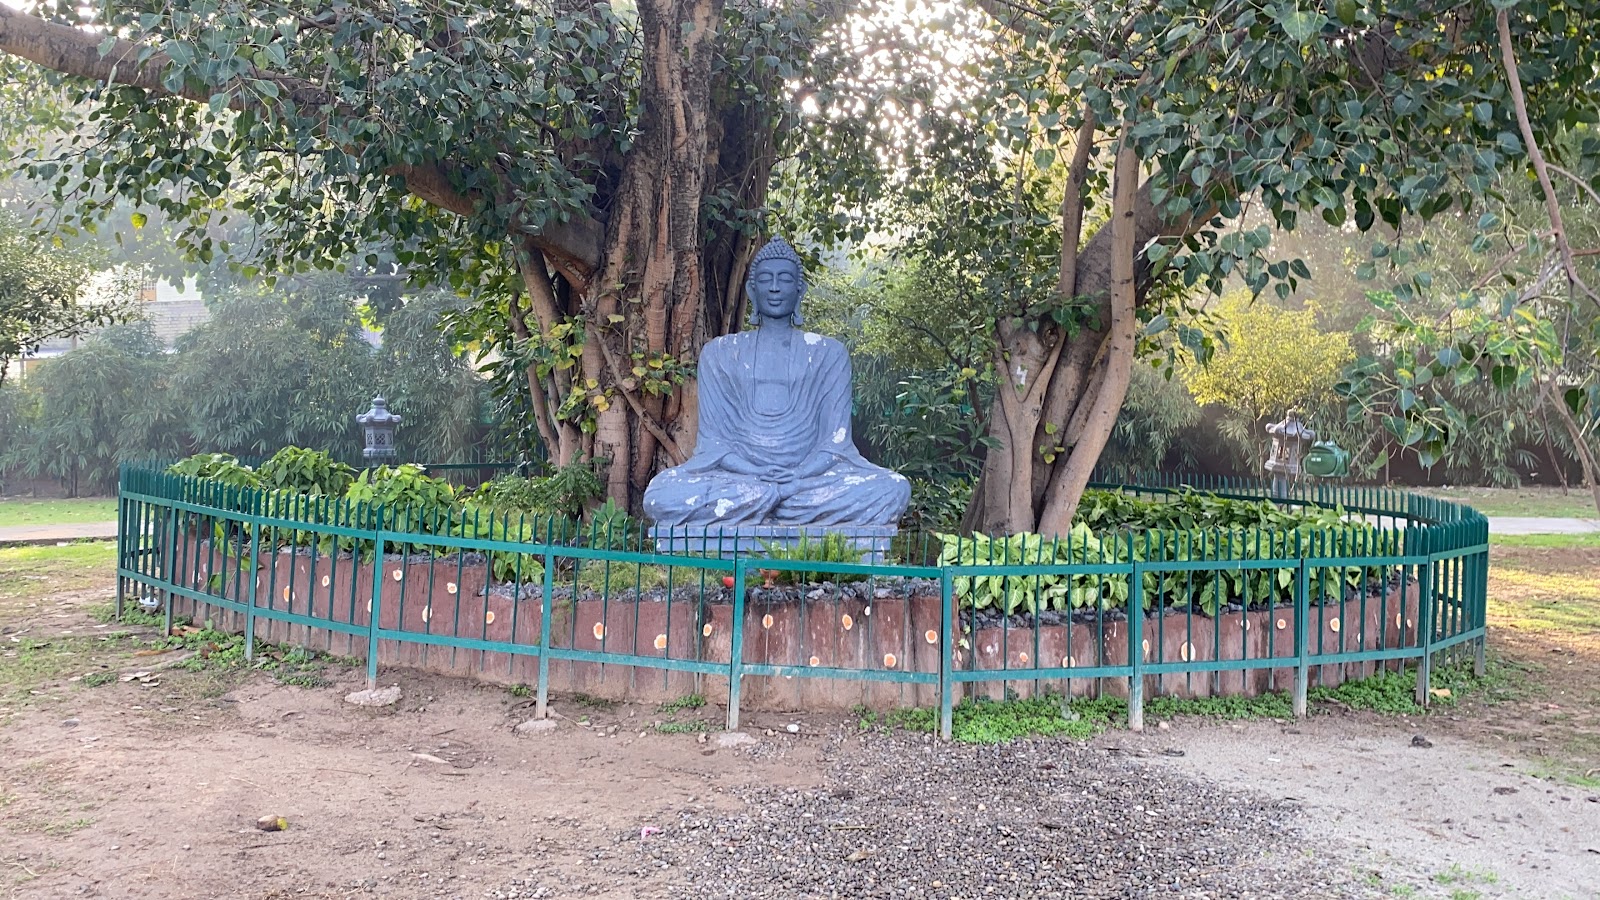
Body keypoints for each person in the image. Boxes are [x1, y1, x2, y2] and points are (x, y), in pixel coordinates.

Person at [642, 237, 910, 527]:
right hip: (739, 479)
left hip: (808, 482)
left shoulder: (829, 354)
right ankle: (772, 501)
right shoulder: (720, 354)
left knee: (893, 488)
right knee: (659, 496)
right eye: (765, 279)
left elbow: (835, 444)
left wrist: (798, 476)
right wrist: (754, 473)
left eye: (784, 279)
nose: (774, 287)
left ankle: (763, 505)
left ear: (800, 289)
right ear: (752, 290)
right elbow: (714, 444)